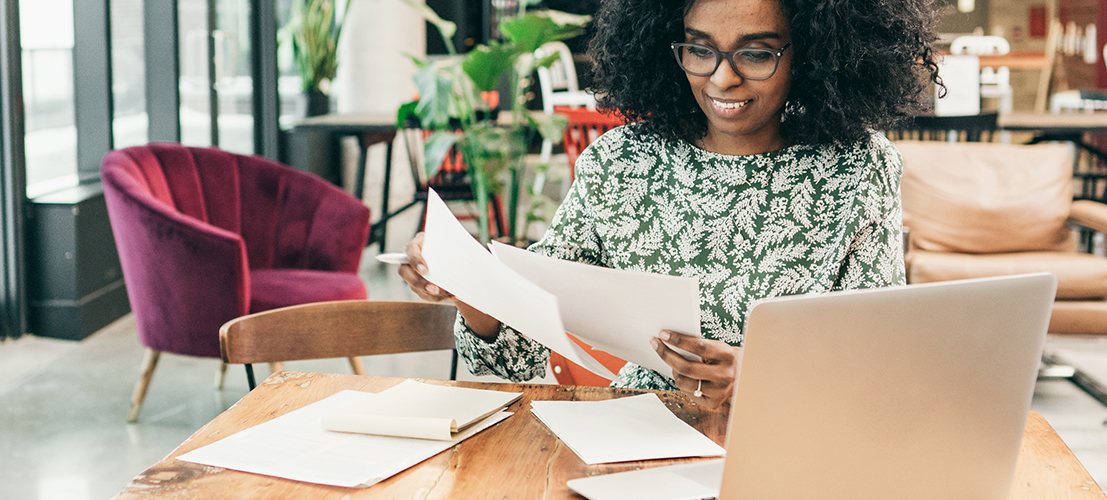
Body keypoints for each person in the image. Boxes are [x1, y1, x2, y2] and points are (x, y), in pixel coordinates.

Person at [398, 0, 942, 410]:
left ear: (814, 51)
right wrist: (470, 286)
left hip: (784, 435)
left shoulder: (857, 166)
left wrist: (749, 375)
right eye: (700, 49)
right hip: (633, 440)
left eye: (755, 53)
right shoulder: (621, 162)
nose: (721, 78)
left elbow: (876, 357)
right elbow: (516, 354)